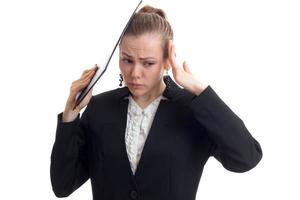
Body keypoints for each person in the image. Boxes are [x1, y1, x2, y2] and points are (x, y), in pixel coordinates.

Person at [50, 5, 263, 200]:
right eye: (127, 60)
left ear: (167, 60)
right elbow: (62, 185)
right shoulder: (99, 109)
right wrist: (70, 115)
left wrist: (200, 90)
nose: (135, 73)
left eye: (148, 63)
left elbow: (246, 158)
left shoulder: (192, 110)